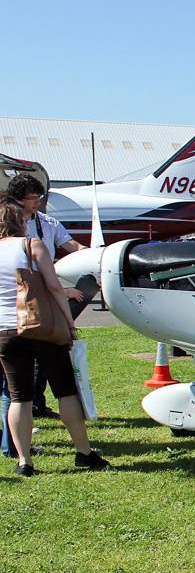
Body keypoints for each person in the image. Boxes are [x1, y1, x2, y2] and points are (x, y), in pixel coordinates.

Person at [0, 201, 107, 476]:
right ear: (20, 222)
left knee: (18, 396)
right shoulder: (31, 245)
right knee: (65, 390)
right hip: (40, 327)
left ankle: (25, 461)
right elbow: (53, 286)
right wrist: (69, 324)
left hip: (5, 331)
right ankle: (83, 451)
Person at [5, 175, 88, 419]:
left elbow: (71, 244)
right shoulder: (15, 234)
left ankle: (36, 407)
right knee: (21, 381)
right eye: (32, 199)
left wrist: (93, 254)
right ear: (17, 200)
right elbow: (34, 280)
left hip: (40, 304)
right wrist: (63, 294)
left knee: (33, 371)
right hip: (19, 307)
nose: (37, 204)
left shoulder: (47, 223)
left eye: (39, 198)